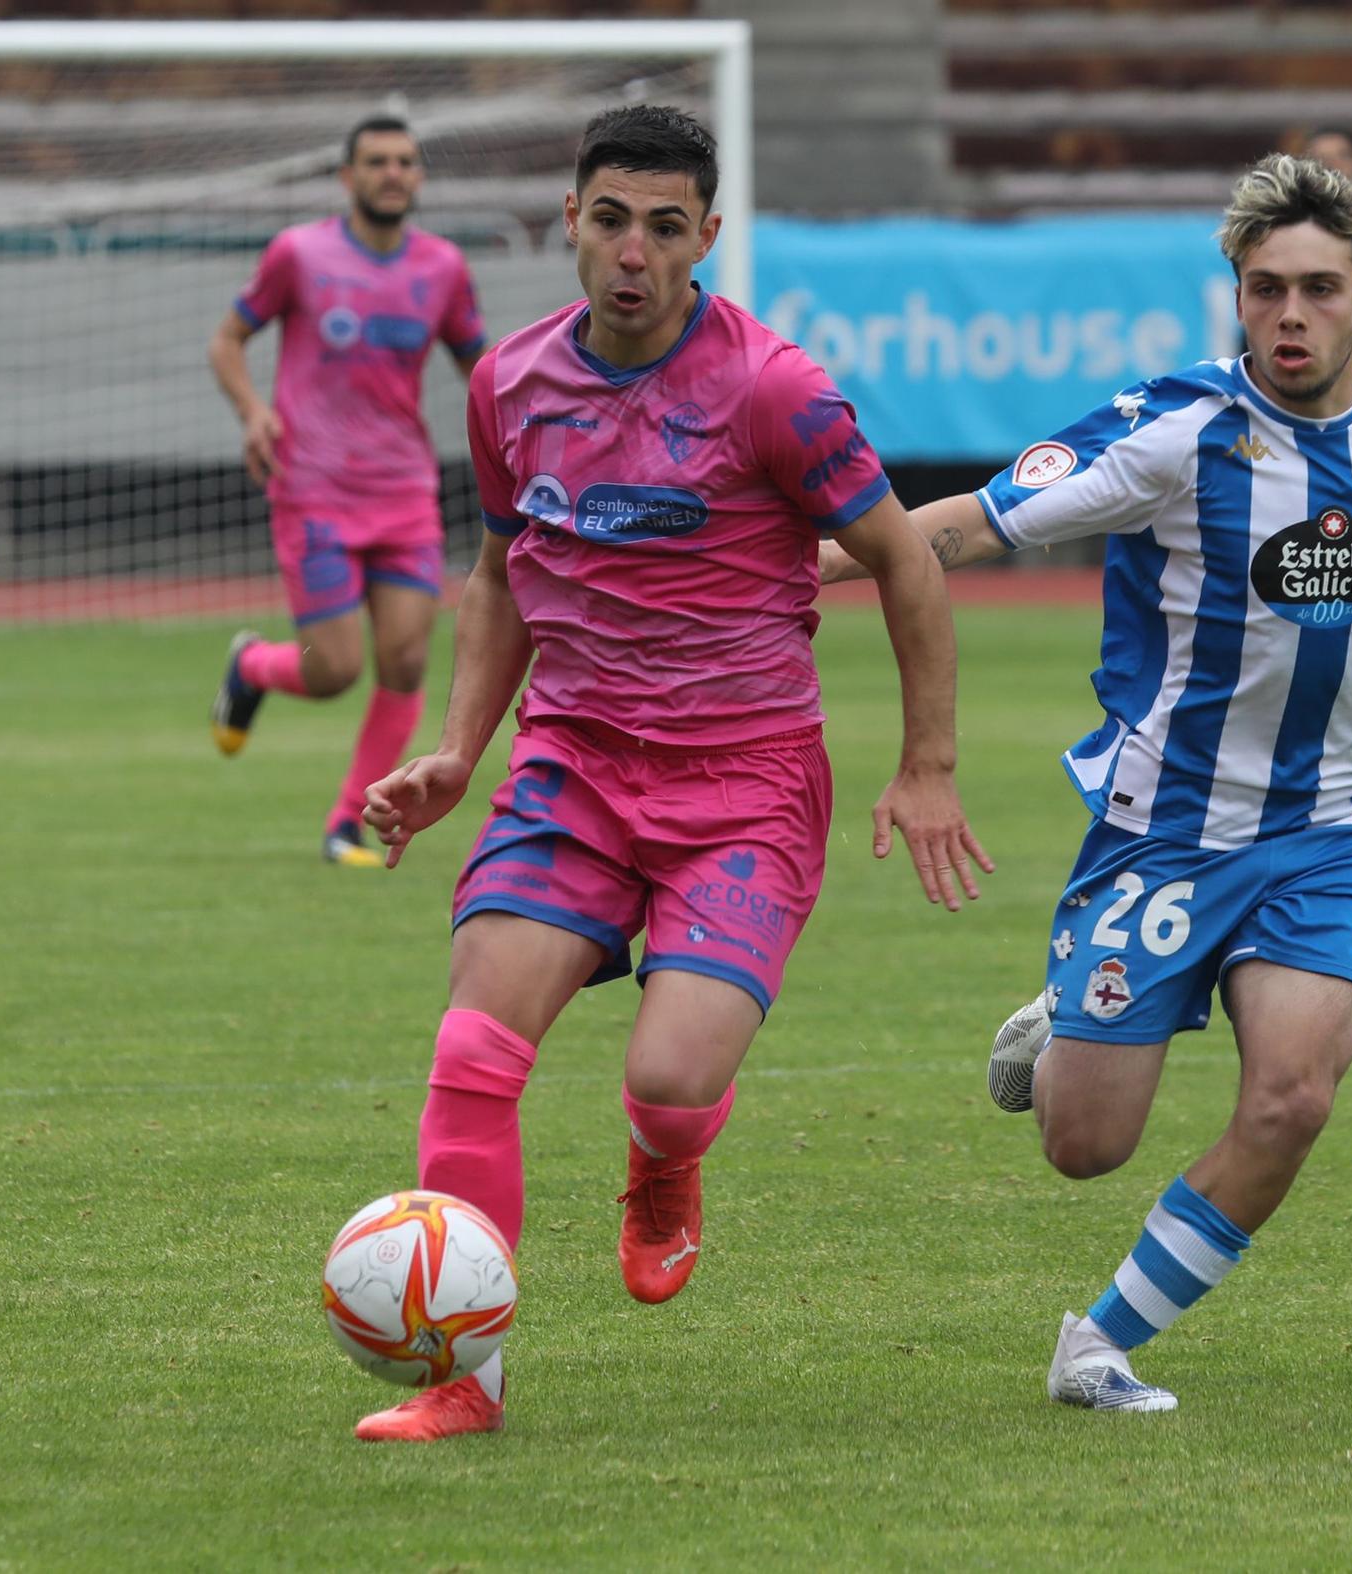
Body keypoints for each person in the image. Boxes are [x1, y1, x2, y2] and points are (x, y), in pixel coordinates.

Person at [823, 152, 1352, 1412]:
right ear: (1235, 298)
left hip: (1328, 834)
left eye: (1317, 291)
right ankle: (1068, 1012)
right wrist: (810, 565)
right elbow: (967, 522)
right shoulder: (1172, 433)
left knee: (1290, 1096)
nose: (1289, 315)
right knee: (1083, 1145)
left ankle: (1098, 1342)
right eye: (1264, 290)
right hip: (1164, 830)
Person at [350, 105, 991, 1443]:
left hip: (745, 785)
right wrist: (463, 749)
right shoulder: (510, 388)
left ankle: (665, 1160)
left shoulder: (775, 391)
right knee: (473, 1046)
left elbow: (904, 559)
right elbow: (497, 571)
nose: (631, 251)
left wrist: (927, 762)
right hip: (572, 771)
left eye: (663, 226)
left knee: (672, 1074)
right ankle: (469, 1377)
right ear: (570, 225)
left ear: (705, 237)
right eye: (608, 220)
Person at [207, 113, 488, 867]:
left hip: (404, 493)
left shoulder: (443, 268)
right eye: (377, 162)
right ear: (348, 177)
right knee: (334, 669)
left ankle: (348, 824)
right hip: (314, 490)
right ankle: (252, 667)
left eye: (405, 161)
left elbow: (480, 367)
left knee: (404, 662)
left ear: (419, 176)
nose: (393, 173)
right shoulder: (299, 254)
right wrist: (253, 410)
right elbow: (227, 340)